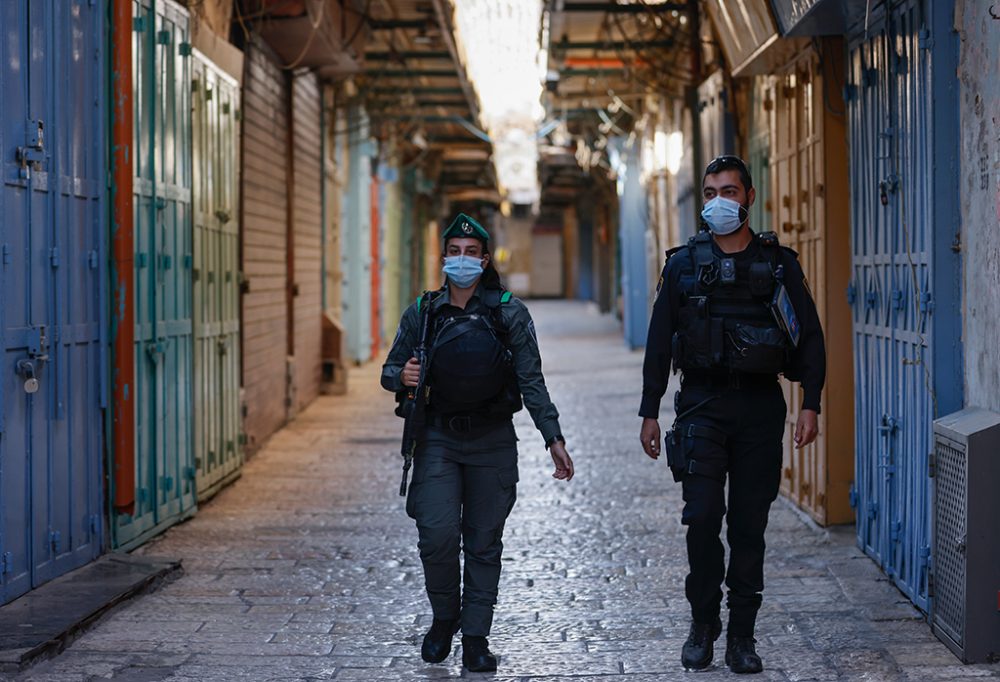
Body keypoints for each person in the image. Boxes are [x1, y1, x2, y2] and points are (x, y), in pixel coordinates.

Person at [638, 156, 825, 674]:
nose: (720, 200)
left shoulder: (779, 264)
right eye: (711, 191)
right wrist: (649, 411)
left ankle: (742, 635)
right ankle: (703, 624)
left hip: (760, 408)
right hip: (701, 405)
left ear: (749, 196)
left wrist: (810, 401)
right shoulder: (682, 265)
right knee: (701, 517)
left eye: (730, 191)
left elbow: (808, 336)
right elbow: (658, 344)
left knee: (748, 526)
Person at [382, 212, 574, 673]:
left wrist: (554, 437)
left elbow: (532, 380)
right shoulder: (423, 312)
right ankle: (445, 618)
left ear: (485, 260)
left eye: (471, 253)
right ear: (444, 257)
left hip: (491, 440)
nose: (462, 260)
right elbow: (390, 371)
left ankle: (475, 637)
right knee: (437, 535)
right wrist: (402, 376)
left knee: (484, 542)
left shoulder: (509, 311)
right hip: (437, 439)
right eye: (454, 252)